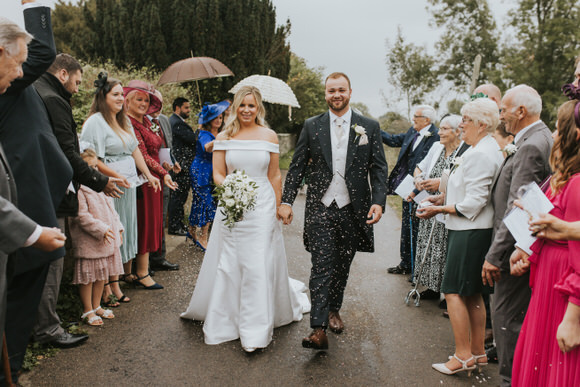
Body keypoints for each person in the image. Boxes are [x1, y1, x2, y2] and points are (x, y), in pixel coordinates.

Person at [181, 86, 310, 352]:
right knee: (231, 260)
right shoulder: (225, 136)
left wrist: (280, 205)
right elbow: (218, 172)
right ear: (235, 108)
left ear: (258, 108)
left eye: (252, 106)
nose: (247, 110)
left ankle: (256, 329)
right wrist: (231, 189)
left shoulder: (269, 136)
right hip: (233, 204)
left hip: (262, 205)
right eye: (242, 105)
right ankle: (226, 319)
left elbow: (274, 175)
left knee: (257, 261)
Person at [278, 72, 388, 350]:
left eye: (341, 90)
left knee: (342, 265)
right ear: (325, 94)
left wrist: (379, 200)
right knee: (322, 265)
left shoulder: (369, 127)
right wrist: (287, 201)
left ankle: (333, 308)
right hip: (320, 206)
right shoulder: (312, 125)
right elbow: (297, 166)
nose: (336, 95)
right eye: (331, 91)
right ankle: (318, 328)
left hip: (354, 208)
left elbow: (378, 168)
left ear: (350, 92)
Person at [0, 3, 75, 382]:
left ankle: (11, 362)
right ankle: (9, 367)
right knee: (19, 288)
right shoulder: (5, 86)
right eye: (18, 63)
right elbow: (44, 52)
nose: (21, 72)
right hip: (20, 201)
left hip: (32, 193)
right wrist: (34, 6)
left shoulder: (10, 84)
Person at [33, 53, 122, 346]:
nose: (77, 88)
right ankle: (47, 329)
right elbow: (67, 152)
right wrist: (100, 181)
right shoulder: (54, 99)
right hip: (52, 193)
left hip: (38, 188)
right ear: (63, 74)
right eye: (77, 81)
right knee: (52, 262)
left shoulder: (35, 90)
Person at [416, 98, 503, 376]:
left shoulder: (480, 153)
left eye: (466, 119)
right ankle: (478, 353)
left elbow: (474, 202)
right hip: (473, 230)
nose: (461, 124)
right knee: (472, 293)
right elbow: (468, 190)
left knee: (452, 291)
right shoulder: (482, 148)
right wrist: (442, 196)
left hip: (469, 231)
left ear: (481, 124)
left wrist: (438, 209)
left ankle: (462, 355)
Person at [480, 85, 553, 387]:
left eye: (504, 110)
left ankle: (512, 380)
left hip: (517, 249)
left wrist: (494, 256)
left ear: (520, 112)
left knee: (507, 319)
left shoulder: (531, 146)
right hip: (527, 245)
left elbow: (518, 207)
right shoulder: (540, 137)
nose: (501, 116)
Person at [510, 96, 580, 386]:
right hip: (548, 281)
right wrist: (529, 249)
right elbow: (555, 229)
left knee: (557, 366)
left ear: (573, 134)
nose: (552, 135)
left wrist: (573, 317)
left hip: (564, 290)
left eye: (557, 128)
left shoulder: (577, 184)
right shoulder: (565, 176)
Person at [80, 74, 162, 293]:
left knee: (126, 229)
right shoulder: (95, 122)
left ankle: (118, 281)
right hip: (110, 184)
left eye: (120, 94)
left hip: (129, 183)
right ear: (103, 96)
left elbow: (135, 149)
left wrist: (148, 175)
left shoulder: (123, 119)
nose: (120, 98)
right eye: (115, 94)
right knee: (112, 231)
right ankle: (106, 287)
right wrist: (113, 176)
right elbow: (91, 157)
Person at [124, 80, 177, 289]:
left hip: (155, 176)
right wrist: (162, 172)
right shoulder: (129, 124)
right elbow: (142, 155)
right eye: (139, 99)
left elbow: (155, 150)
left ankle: (134, 271)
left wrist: (166, 165)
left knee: (153, 222)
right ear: (128, 101)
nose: (144, 103)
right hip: (142, 178)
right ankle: (142, 272)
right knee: (143, 222)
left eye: (146, 100)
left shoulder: (148, 122)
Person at [382, 105, 439, 277]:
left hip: (424, 189)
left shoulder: (436, 137)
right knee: (406, 225)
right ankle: (405, 262)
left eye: (416, 116)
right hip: (406, 187)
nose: (413, 119)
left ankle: (417, 267)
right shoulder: (412, 132)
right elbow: (392, 140)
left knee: (418, 227)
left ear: (427, 120)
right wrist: (372, 129)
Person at [69, 149, 123, 326]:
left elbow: (111, 210)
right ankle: (87, 309)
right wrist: (100, 229)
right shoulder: (80, 189)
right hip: (90, 241)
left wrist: (118, 227)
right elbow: (81, 216)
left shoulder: (100, 188)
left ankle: (97, 305)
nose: (94, 172)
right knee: (88, 277)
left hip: (105, 241)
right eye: (89, 168)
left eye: (95, 167)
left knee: (101, 276)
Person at [410, 114, 461, 299]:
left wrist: (440, 182)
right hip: (430, 202)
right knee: (428, 246)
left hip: (448, 203)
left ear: (457, 132)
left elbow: (461, 180)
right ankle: (431, 288)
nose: (439, 132)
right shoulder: (436, 146)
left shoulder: (463, 152)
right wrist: (418, 179)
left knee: (444, 248)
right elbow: (419, 167)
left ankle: (446, 293)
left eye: (445, 129)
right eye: (440, 128)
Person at [187, 101, 230, 250]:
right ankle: (202, 236)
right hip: (201, 170)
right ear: (209, 120)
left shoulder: (221, 133)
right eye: (215, 118)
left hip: (213, 170)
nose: (219, 120)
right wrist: (220, 140)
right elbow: (207, 147)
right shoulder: (204, 134)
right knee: (207, 202)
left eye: (220, 117)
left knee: (199, 202)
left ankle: (192, 230)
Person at [148, 90, 180, 272]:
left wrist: (173, 163)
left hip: (165, 175)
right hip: (148, 176)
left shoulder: (165, 120)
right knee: (149, 219)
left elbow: (169, 146)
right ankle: (146, 260)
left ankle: (160, 256)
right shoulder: (140, 121)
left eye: (158, 103)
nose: (156, 107)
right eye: (153, 102)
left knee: (162, 217)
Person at [168, 97, 196, 236]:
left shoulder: (174, 121)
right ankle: (174, 226)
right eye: (186, 108)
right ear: (177, 108)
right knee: (178, 197)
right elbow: (192, 139)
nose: (189, 110)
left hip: (180, 165)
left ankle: (178, 224)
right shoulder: (177, 123)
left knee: (179, 197)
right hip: (181, 166)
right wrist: (200, 130)